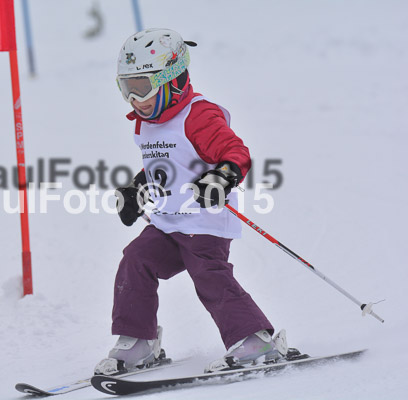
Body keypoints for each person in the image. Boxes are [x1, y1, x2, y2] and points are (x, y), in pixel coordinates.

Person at [94, 28, 288, 376]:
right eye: (126, 88)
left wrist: (221, 177)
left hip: (204, 221)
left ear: (175, 81)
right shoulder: (146, 123)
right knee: (136, 259)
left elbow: (235, 152)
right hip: (168, 221)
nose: (135, 99)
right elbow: (165, 165)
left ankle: (254, 340)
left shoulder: (197, 115)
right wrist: (138, 189)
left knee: (207, 273)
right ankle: (138, 342)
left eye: (142, 87)